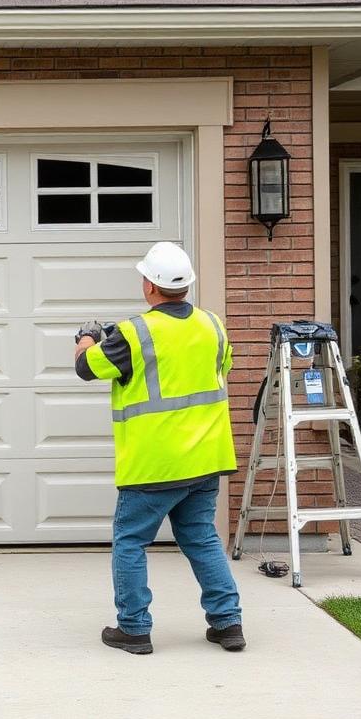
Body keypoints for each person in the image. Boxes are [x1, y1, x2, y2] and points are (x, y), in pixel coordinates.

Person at [74, 241, 244, 655]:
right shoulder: (213, 325)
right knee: (202, 538)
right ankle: (228, 623)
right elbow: (221, 369)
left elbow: (86, 368)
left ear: (150, 285)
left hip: (155, 465)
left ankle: (133, 628)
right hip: (205, 460)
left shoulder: (133, 333)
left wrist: (86, 339)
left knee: (130, 541)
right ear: (186, 285)